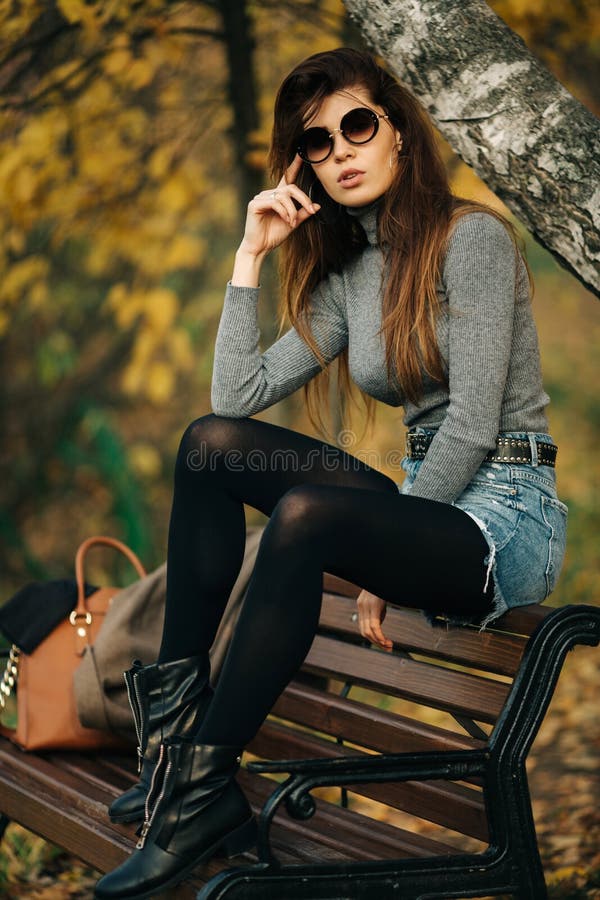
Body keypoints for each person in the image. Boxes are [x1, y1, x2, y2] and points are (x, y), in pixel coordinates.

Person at [94, 47, 568, 899]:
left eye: (357, 124)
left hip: (503, 514)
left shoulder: (475, 240)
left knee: (308, 512)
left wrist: (382, 574)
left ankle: (200, 788)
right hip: (424, 502)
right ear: (303, 163)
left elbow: (472, 423)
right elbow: (234, 398)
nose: (341, 149)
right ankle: (172, 761)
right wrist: (251, 254)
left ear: (398, 136)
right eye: (318, 140)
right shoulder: (351, 273)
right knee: (209, 443)